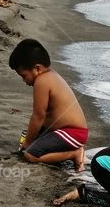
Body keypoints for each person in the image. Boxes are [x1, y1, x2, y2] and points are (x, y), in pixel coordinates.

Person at [8, 39, 88, 171]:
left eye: (24, 75)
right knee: (29, 136)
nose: (24, 81)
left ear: (37, 68)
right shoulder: (51, 75)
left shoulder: (42, 81)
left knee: (30, 155)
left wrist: (28, 143)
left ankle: (74, 153)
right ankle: (69, 150)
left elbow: (38, 116)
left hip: (72, 133)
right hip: (66, 131)